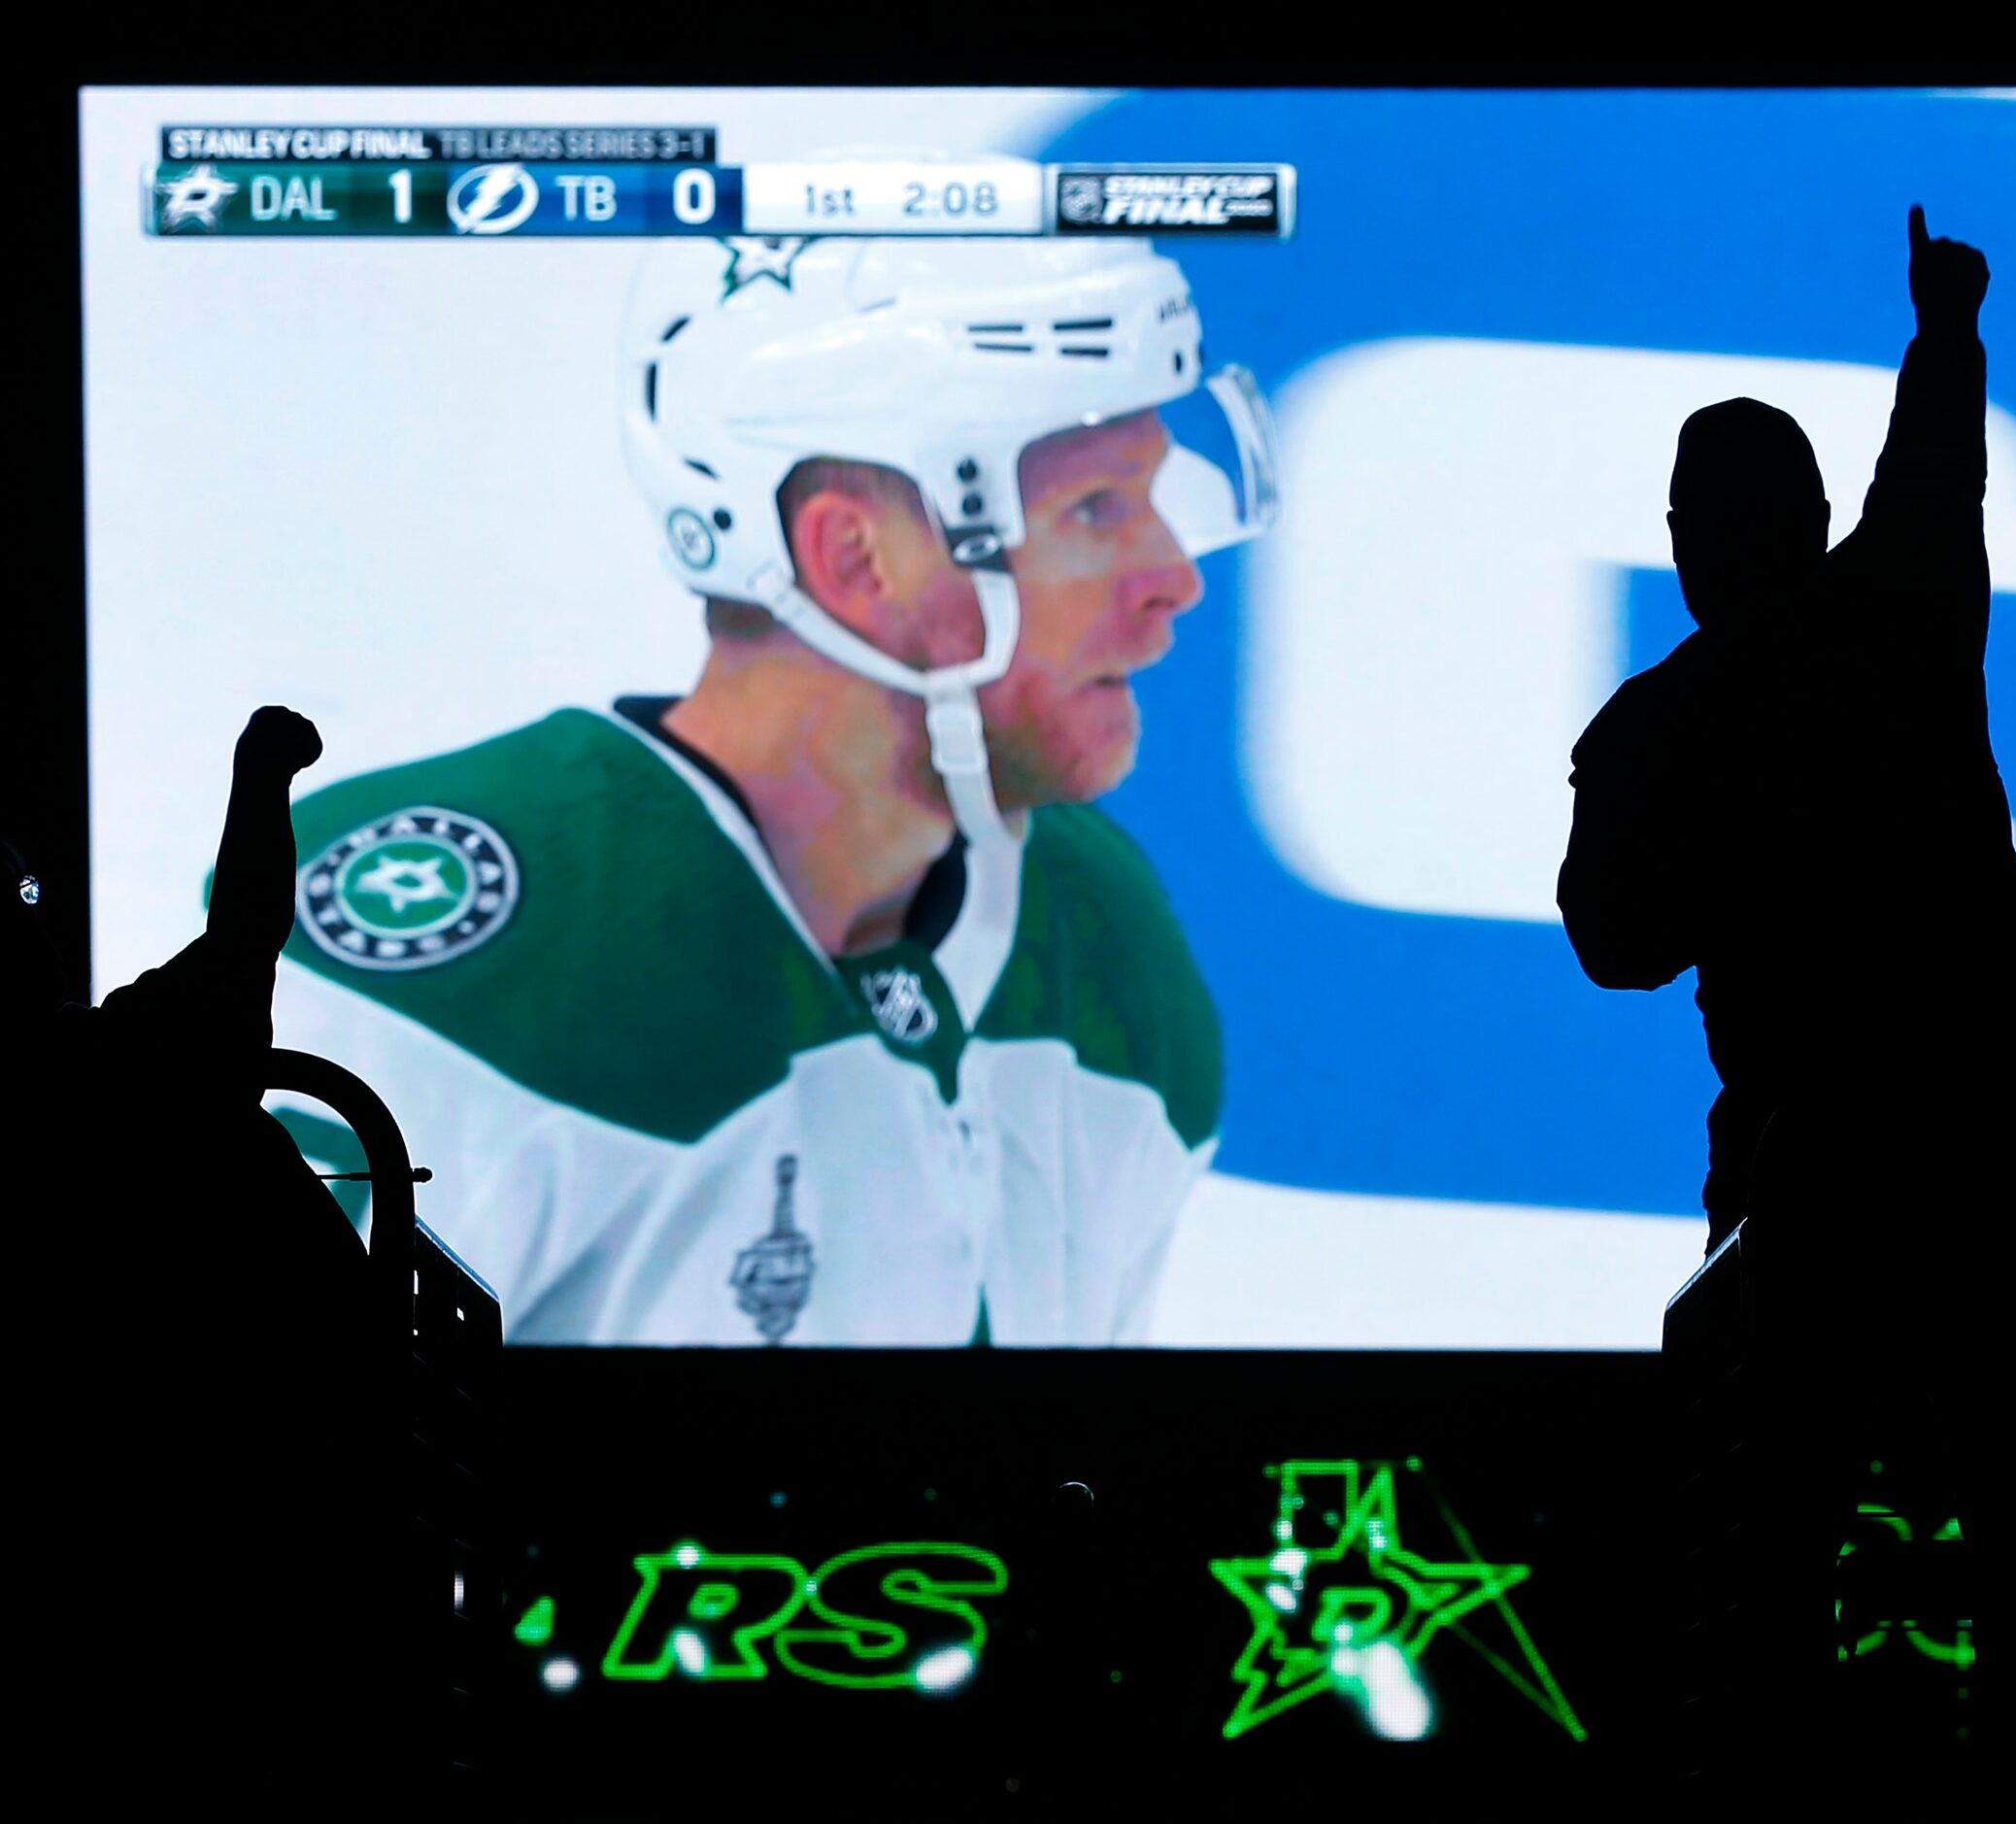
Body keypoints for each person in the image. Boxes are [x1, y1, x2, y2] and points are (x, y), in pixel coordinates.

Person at [266, 231, 1278, 1345]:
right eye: (1094, 510)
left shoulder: (1106, 943)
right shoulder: (446, 948)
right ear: (854, 559)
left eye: (1153, 494)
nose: (1177, 579)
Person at [1560, 207, 2016, 1784]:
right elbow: (1936, 467)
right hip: (1982, 1146)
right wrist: (1945, 327)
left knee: (1770, 1547)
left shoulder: (1650, 730)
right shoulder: (1898, 614)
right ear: (1814, 518)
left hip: (1797, 1175)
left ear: (1681, 534)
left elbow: (1612, 943)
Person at [17, 708, 395, 1803]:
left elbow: (242, 936)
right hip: (226, 1554)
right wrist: (262, 777)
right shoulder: (113, 1076)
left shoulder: (109, 1066)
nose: (40, 925)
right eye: (19, 905)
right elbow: (245, 931)